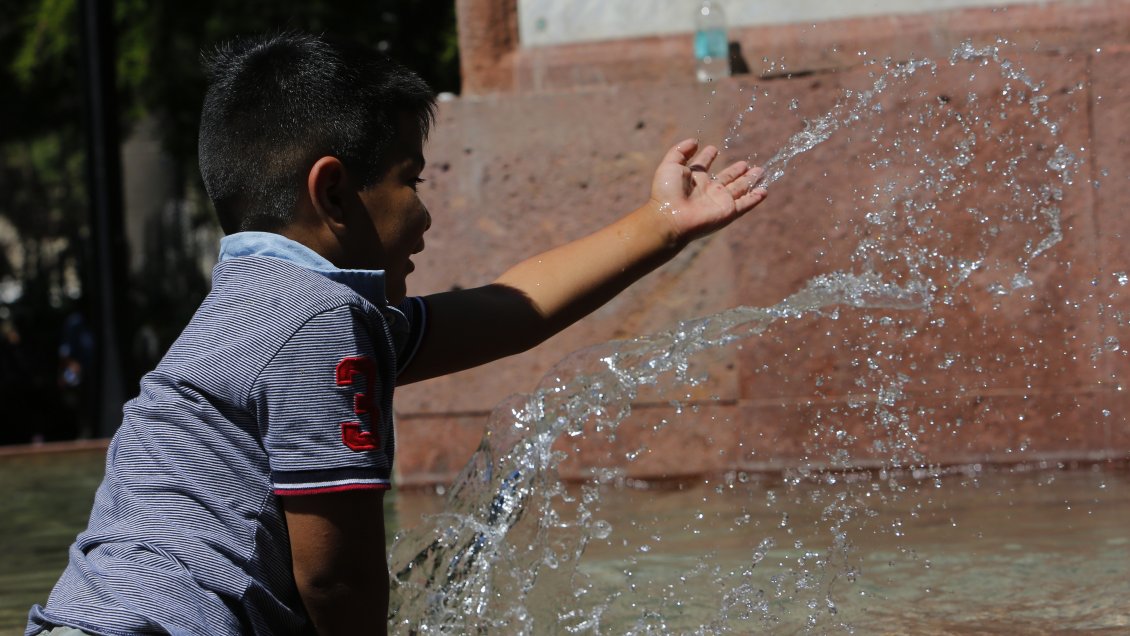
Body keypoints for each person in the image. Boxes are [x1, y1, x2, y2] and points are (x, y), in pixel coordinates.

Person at [27, 31, 767, 636]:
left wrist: (660, 226)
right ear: (335, 192)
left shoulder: (267, 304)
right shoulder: (317, 321)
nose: (425, 214)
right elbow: (336, 576)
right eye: (411, 180)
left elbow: (508, 311)